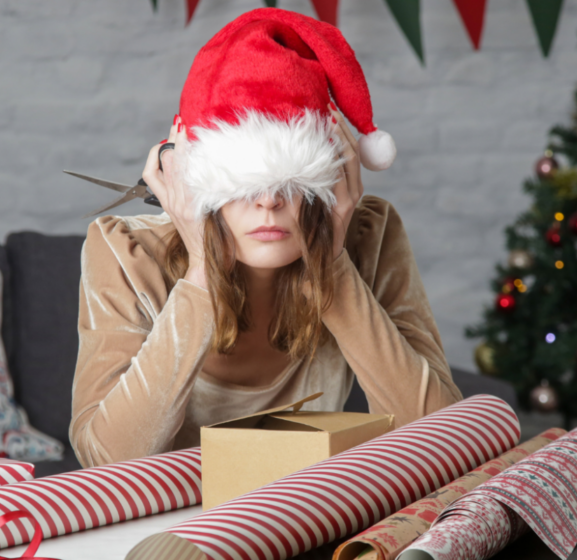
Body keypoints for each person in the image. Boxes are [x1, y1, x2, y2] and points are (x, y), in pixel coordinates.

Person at [69, 8, 462, 468]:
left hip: (306, 521)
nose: (270, 202)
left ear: (329, 177)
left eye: (293, 178)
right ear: (198, 180)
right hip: (174, 530)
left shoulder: (368, 235)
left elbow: (442, 438)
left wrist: (331, 263)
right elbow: (104, 459)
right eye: (241, 180)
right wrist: (200, 270)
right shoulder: (124, 252)